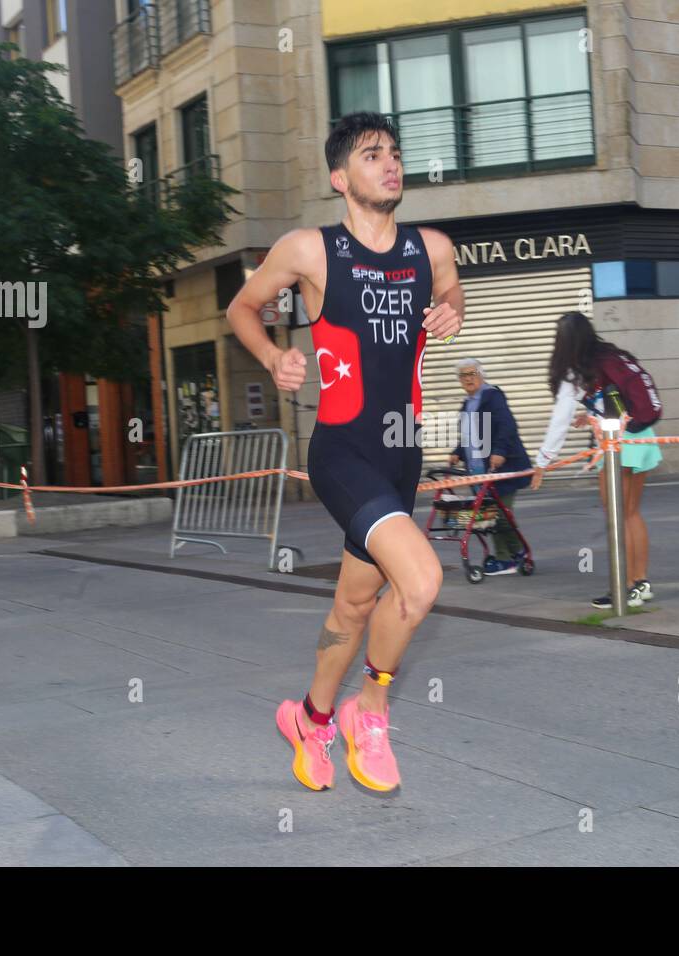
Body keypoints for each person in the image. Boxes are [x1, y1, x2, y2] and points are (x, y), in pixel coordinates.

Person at [227, 112, 464, 793]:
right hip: (342, 448)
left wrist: (454, 306)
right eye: (371, 154)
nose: (389, 163)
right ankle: (373, 709)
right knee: (419, 584)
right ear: (341, 177)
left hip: (402, 452)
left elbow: (452, 290)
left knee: (353, 610)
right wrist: (274, 356)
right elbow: (243, 307)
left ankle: (310, 717)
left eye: (393, 153)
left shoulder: (433, 247)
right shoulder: (309, 250)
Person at [529, 312, 662, 609]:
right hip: (642, 434)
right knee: (631, 514)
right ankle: (640, 584)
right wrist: (589, 417)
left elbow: (557, 423)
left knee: (617, 516)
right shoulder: (609, 355)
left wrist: (542, 462)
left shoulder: (574, 372)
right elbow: (616, 399)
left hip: (618, 445)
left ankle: (625, 588)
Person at [446, 358, 532, 574]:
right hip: (479, 471)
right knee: (491, 515)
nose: (467, 379)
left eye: (471, 374)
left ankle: (508, 558)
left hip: (501, 467)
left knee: (500, 514)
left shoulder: (492, 396)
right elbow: (469, 436)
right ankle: (515, 553)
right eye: (463, 375)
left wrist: (500, 451)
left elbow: (507, 426)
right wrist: (457, 453)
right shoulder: (467, 403)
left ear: (481, 375)